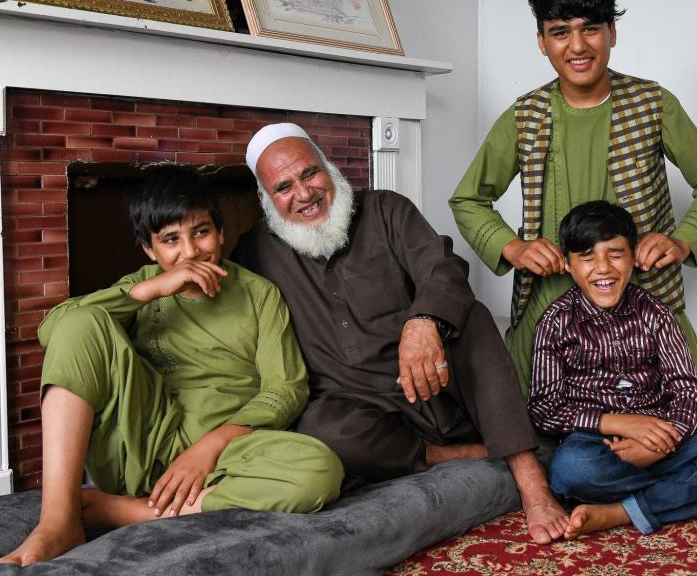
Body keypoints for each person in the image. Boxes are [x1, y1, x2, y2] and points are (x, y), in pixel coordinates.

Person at [232, 123, 570, 544]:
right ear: (265, 199)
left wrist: (423, 320)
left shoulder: (386, 209)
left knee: (475, 319)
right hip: (359, 407)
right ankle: (448, 456)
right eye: (283, 186)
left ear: (329, 169)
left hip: (436, 383)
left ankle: (528, 475)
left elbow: (441, 266)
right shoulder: (254, 252)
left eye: (309, 173)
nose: (304, 193)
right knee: (318, 426)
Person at [0, 166, 343, 566]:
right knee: (79, 320)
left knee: (320, 470)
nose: (191, 253)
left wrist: (210, 447)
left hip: (225, 451)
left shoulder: (259, 294)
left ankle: (122, 510)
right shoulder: (142, 285)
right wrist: (146, 291)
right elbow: (55, 330)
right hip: (140, 443)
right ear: (149, 249)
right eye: (170, 240)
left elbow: (286, 389)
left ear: (221, 231)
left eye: (201, 232)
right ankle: (58, 520)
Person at [449, 0, 697, 425]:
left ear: (612, 34)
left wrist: (684, 239)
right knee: (523, 423)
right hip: (550, 298)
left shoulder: (652, 104)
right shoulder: (525, 116)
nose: (577, 46)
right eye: (561, 32)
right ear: (542, 42)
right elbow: (468, 199)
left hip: (642, 294)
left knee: (689, 421)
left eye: (591, 29)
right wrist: (513, 248)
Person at [528, 201, 697, 538]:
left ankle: (620, 512)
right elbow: (544, 409)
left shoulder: (655, 314)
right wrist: (618, 423)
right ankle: (696, 493)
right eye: (587, 257)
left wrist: (663, 440)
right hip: (599, 448)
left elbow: (689, 392)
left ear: (633, 258)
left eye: (615, 254)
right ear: (569, 265)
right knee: (569, 470)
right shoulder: (556, 323)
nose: (602, 268)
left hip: (664, 440)